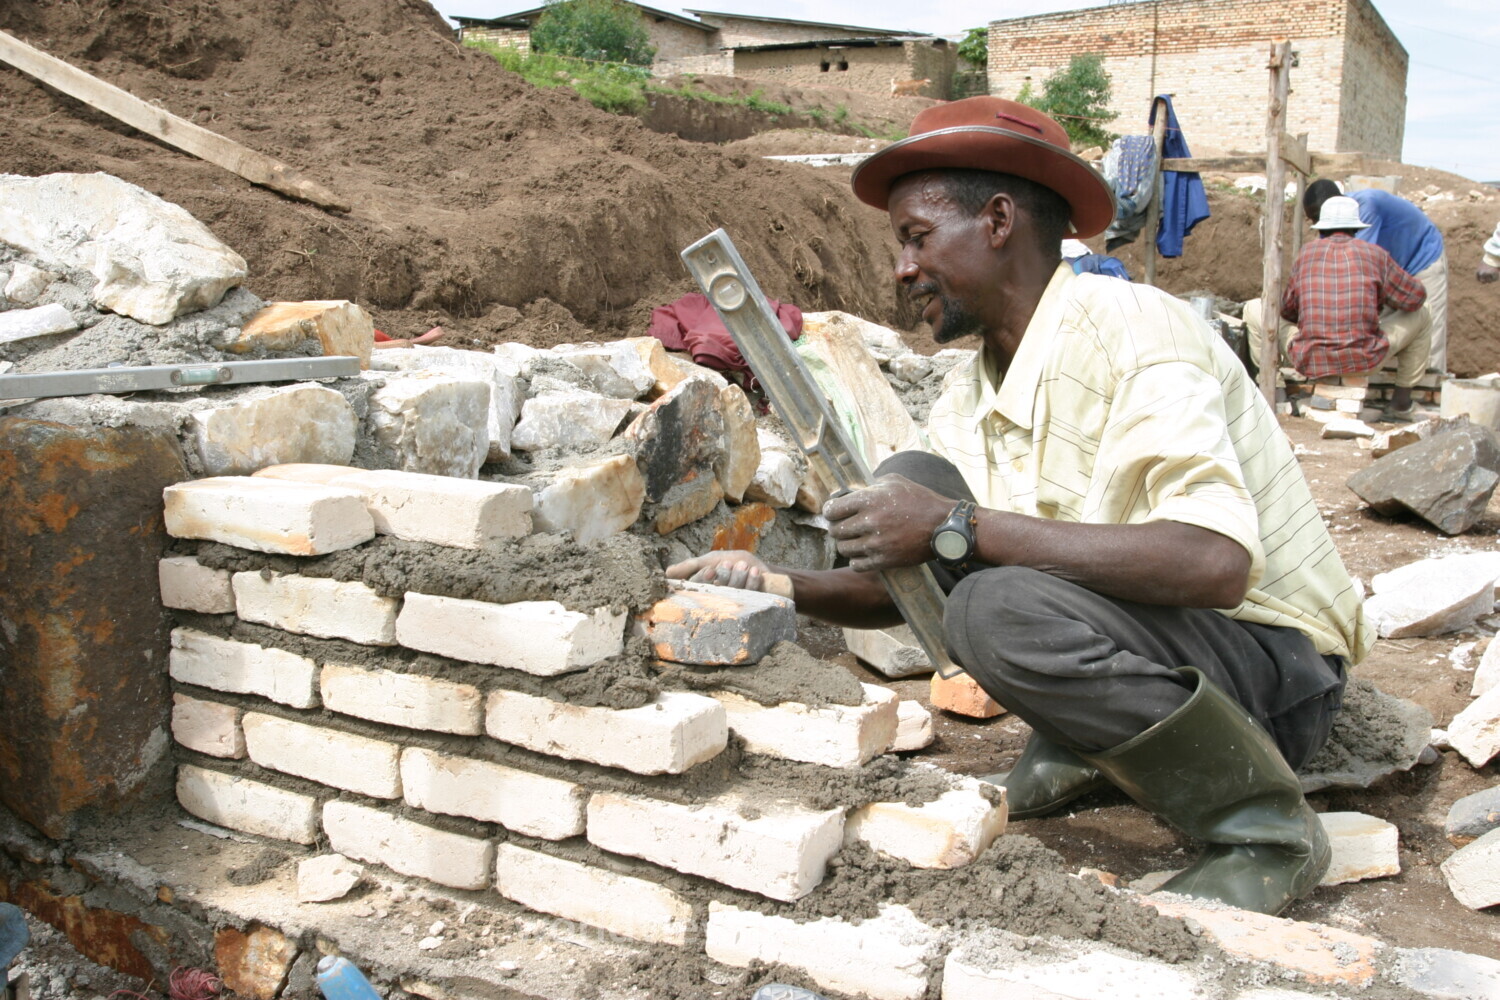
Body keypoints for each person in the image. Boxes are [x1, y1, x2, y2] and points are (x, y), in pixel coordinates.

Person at [669, 96, 1370, 918]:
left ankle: (1264, 831)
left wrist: (953, 525)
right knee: (918, 477)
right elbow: (908, 581)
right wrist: (776, 582)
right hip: (1170, 642)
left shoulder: (1136, 327)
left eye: (917, 237)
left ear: (999, 220)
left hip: (1277, 672)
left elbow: (1213, 564)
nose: (901, 269)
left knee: (996, 602)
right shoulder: (973, 393)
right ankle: (1088, 752)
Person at [1246, 196, 1430, 421]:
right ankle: (1401, 402)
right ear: (1356, 228)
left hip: (1310, 359)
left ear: (1322, 228)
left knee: (1254, 307)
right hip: (1365, 359)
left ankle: (1276, 394)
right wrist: (1379, 298)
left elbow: (1288, 312)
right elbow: (1415, 298)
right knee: (1424, 312)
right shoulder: (1376, 255)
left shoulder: (1306, 254)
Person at [1304, 179, 1448, 372]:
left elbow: (1359, 268)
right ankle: (1387, 388)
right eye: (1312, 220)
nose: (1316, 224)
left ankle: (1428, 388)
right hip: (1391, 270)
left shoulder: (1366, 207)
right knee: (1386, 333)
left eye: (1316, 216)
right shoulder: (1328, 227)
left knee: (1427, 328)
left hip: (1422, 259)